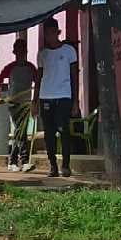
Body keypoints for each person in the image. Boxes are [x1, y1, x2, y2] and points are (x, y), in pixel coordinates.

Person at [34, 18, 78, 178]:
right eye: (47, 34)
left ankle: (65, 165)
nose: (50, 37)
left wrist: (75, 101)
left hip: (64, 96)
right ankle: (52, 165)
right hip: (46, 96)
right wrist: (35, 101)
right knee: (49, 133)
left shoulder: (68, 51)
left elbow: (74, 76)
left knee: (64, 130)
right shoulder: (43, 54)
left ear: (57, 33)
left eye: (53, 33)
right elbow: (38, 78)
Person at [0, 38, 38, 173]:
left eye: (23, 51)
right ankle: (22, 161)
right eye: (18, 51)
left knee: (20, 131)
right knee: (20, 130)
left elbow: (38, 82)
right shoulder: (10, 67)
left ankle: (14, 161)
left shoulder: (31, 67)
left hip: (26, 103)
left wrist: (35, 102)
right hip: (13, 104)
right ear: (15, 52)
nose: (21, 54)